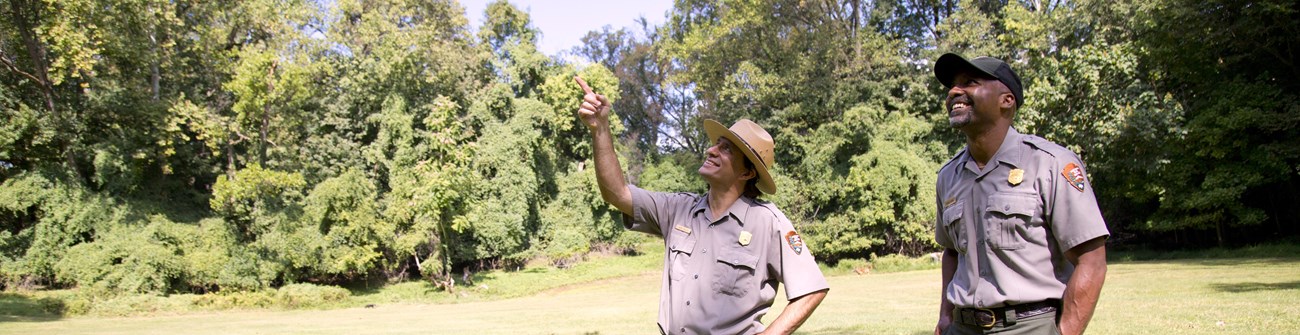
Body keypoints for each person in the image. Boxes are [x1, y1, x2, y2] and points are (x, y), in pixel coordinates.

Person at [573, 76, 829, 335]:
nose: (711, 150)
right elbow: (616, 193)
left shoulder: (767, 222)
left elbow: (812, 289)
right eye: (716, 143)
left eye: (726, 149)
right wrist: (600, 129)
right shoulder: (677, 210)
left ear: (747, 173)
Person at [930, 53, 1109, 335]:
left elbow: (1091, 258)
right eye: (952, 85)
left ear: (1006, 100)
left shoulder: (1050, 164)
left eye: (970, 82)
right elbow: (951, 253)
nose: (954, 91)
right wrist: (945, 317)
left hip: (1029, 326)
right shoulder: (948, 176)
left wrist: (1066, 332)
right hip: (962, 327)